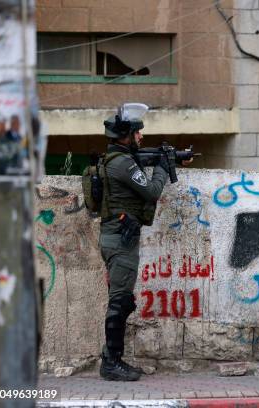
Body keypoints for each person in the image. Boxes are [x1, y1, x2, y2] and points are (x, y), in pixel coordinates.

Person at [98, 103, 170, 381]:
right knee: (120, 301)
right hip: (120, 240)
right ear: (126, 135)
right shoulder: (123, 164)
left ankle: (112, 358)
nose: (141, 137)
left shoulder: (117, 159)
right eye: (137, 133)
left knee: (122, 300)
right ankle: (111, 363)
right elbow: (151, 191)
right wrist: (163, 169)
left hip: (115, 237)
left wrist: (168, 159)